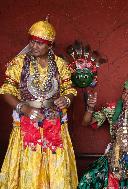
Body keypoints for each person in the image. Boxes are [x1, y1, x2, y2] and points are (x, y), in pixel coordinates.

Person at [0, 18, 78, 188]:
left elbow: (70, 89)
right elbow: (6, 90)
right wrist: (24, 108)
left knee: (55, 160)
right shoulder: (19, 63)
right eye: (32, 41)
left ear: (50, 45)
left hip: (54, 121)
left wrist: (67, 98)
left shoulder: (60, 64)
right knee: (29, 161)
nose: (34, 46)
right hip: (27, 121)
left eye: (39, 43)